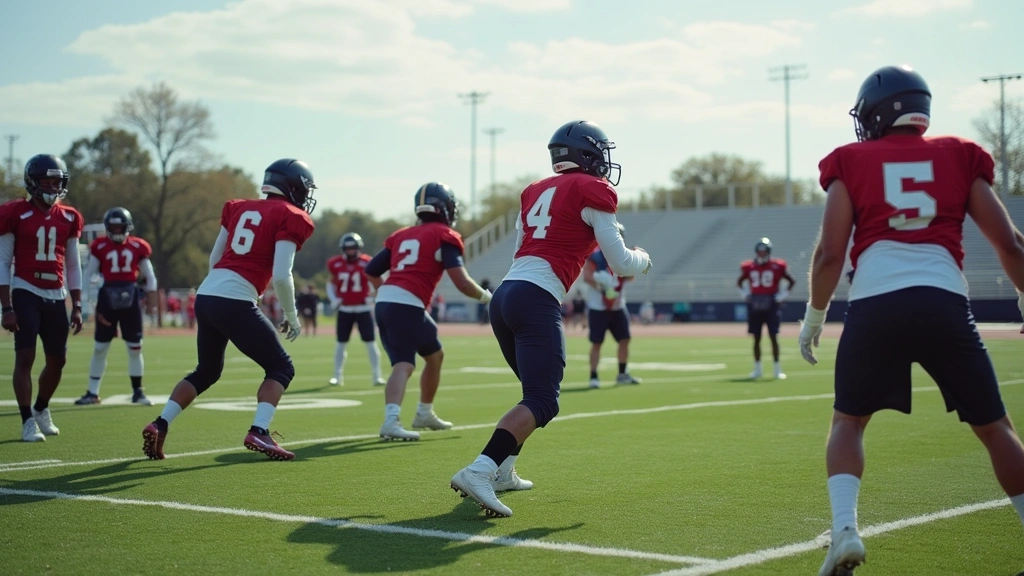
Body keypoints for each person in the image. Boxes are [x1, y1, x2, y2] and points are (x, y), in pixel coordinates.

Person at [799, 65, 1024, 575]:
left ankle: (844, 532)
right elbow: (1010, 242)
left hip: (876, 303)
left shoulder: (849, 160)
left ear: (876, 113)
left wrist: (814, 316)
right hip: (943, 300)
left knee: (848, 423)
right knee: (996, 429)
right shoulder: (962, 155)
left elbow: (830, 255)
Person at [450, 120, 652, 517]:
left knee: (533, 393)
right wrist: (645, 259)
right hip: (535, 297)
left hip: (508, 294)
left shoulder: (533, 191)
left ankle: (504, 471)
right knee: (543, 400)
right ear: (588, 154)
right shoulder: (593, 190)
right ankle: (480, 469)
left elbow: (522, 249)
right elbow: (622, 263)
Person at [141, 158, 316, 461]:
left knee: (207, 371)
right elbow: (281, 275)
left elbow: (214, 258)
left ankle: (160, 423)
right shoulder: (291, 215)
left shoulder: (239, 207)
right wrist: (291, 315)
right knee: (281, 368)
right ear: (293, 187)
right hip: (234, 297)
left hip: (208, 294)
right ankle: (259, 430)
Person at [365, 182, 492, 441]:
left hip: (390, 302)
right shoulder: (444, 235)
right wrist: (489, 297)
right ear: (445, 208)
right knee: (403, 364)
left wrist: (385, 294)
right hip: (406, 305)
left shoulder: (401, 235)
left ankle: (424, 412)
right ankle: (391, 420)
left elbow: (372, 271)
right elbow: (462, 281)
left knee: (435, 355)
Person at [0, 154, 84, 442]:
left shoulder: (70, 217)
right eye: (46, 181)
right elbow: (2, 261)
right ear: (32, 183)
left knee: (57, 360)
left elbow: (73, 264)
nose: (52, 186)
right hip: (25, 289)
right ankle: (26, 421)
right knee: (25, 356)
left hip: (56, 294)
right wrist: (6, 306)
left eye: (56, 181)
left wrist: (78, 305)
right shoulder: (15, 213)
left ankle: (40, 408)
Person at [76, 207, 158, 406]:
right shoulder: (99, 246)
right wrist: (83, 302)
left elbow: (150, 277)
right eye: (113, 227)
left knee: (135, 348)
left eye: (120, 226)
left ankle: (137, 391)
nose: (117, 231)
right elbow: (88, 277)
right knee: (100, 348)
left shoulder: (138, 246)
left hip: (130, 298)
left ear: (127, 227)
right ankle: (92, 392)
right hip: (107, 298)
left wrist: (150, 300)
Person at [581, 224, 641, 388]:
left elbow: (630, 277)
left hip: (618, 305)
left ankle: (622, 373)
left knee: (625, 339)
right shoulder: (595, 256)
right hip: (598, 306)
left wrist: (636, 260)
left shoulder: (623, 256)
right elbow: (587, 276)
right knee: (597, 342)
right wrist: (604, 287)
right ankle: (593, 375)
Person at [326, 232, 384, 386]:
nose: (351, 251)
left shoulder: (367, 262)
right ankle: (337, 376)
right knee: (341, 343)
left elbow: (376, 282)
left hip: (363, 308)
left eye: (353, 248)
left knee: (371, 343)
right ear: (343, 249)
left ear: (359, 248)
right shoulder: (335, 263)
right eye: (348, 248)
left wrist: (372, 297)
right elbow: (331, 283)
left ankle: (377, 376)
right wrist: (334, 299)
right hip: (345, 309)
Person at [737, 237, 795, 380]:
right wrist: (746, 295)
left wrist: (782, 295)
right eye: (760, 251)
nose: (762, 254)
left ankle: (777, 369)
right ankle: (757, 369)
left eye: (764, 251)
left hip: (771, 304)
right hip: (755, 304)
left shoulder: (778, 265)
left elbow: (791, 281)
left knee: (773, 336)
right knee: (756, 338)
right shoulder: (749, 266)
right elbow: (739, 282)